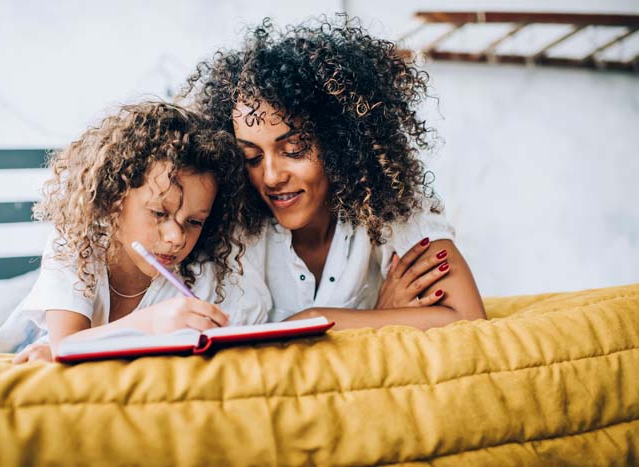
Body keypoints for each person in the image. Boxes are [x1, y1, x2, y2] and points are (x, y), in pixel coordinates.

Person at [184, 16, 485, 330]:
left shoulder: (387, 198)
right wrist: (378, 319)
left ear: (340, 142)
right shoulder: (233, 227)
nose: (271, 177)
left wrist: (313, 320)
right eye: (252, 157)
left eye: (294, 150)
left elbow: (467, 317)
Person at [0, 102, 271, 362]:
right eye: (159, 213)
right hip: (25, 337)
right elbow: (66, 345)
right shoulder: (74, 245)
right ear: (113, 201)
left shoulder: (201, 273)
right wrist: (151, 323)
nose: (176, 237)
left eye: (194, 222)